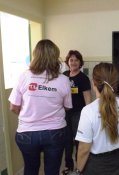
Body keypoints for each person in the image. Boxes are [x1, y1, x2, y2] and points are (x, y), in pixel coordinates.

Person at [8, 39, 72, 175]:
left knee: (30, 169)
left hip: (27, 133)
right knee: (52, 170)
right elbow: (67, 107)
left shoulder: (24, 76)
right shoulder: (64, 80)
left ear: (35, 55)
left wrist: (30, 113)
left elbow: (13, 107)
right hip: (55, 132)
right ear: (55, 56)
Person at [71, 62, 119, 175]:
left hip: (96, 167)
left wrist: (78, 170)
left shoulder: (89, 111)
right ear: (115, 82)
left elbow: (84, 149)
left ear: (93, 83)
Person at [62, 50, 91, 175]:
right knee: (67, 141)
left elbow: (88, 101)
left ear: (80, 62)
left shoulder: (83, 78)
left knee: (79, 141)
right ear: (68, 62)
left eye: (76, 60)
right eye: (71, 60)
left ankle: (80, 167)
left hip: (78, 114)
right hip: (65, 114)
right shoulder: (63, 76)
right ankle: (69, 166)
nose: (73, 62)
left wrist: (87, 117)